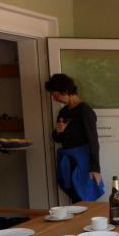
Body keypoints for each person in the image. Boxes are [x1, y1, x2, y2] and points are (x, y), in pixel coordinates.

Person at [47, 73, 103, 203]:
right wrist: (58, 131)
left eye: (55, 95)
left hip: (82, 161)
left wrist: (95, 168)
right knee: (74, 197)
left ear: (65, 91)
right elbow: (57, 139)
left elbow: (93, 140)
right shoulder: (63, 112)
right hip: (68, 162)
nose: (54, 99)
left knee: (83, 197)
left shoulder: (85, 111)